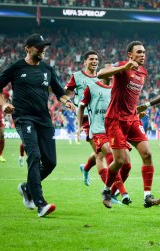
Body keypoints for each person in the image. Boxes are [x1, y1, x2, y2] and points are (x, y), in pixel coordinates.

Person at [0, 33, 75, 217]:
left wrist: (66, 101)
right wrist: (4, 104)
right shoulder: (16, 67)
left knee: (51, 162)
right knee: (34, 156)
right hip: (23, 117)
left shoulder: (47, 69)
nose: (43, 50)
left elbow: (60, 92)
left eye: (44, 46)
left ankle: (27, 188)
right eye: (39, 47)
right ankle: (40, 203)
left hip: (44, 120)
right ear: (28, 48)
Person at [97, 41, 160, 208]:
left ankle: (147, 195)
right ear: (130, 55)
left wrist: (136, 111)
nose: (142, 55)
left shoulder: (143, 73)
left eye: (144, 52)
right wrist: (123, 68)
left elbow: (131, 95)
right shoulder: (122, 67)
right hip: (115, 120)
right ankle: (106, 191)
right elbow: (100, 73)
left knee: (147, 154)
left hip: (132, 119)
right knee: (120, 161)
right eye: (139, 52)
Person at [78, 64, 132, 208]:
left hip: (113, 128)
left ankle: (87, 168)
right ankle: (122, 192)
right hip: (96, 128)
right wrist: (79, 126)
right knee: (107, 153)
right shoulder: (91, 87)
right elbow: (81, 106)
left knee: (126, 163)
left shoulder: (117, 89)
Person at [65, 50, 99, 186]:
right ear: (85, 62)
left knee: (102, 151)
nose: (94, 61)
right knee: (101, 152)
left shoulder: (102, 77)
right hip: (85, 118)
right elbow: (65, 93)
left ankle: (85, 168)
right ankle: (111, 191)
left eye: (96, 59)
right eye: (91, 59)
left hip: (101, 118)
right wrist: (67, 101)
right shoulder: (77, 76)